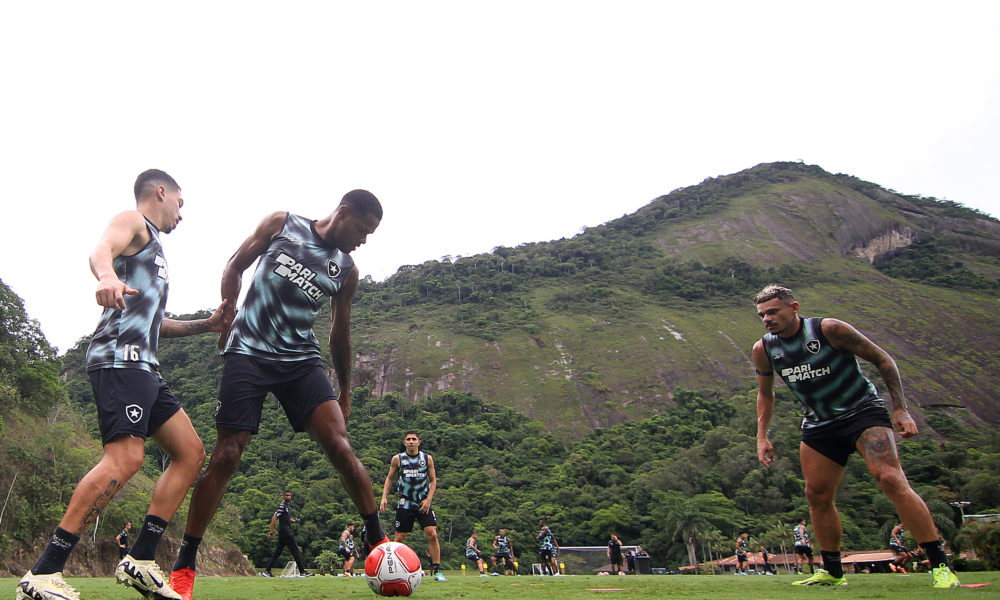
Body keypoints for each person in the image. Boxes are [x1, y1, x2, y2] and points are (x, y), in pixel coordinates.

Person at [16, 170, 227, 600]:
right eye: (181, 205)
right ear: (161, 192)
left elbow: (155, 324)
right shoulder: (132, 221)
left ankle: (142, 560)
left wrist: (207, 325)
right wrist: (105, 276)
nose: (181, 215)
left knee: (190, 452)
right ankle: (42, 573)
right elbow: (100, 249)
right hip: (118, 360)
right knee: (125, 459)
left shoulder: (156, 251)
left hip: (145, 366)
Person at [167, 190, 389, 600]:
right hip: (248, 353)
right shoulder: (282, 224)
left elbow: (339, 333)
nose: (363, 240)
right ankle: (185, 561)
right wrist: (228, 311)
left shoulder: (346, 269)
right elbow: (235, 265)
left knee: (340, 447)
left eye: (370, 234)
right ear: (343, 213)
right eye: (362, 229)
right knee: (228, 454)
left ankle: (380, 543)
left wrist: (345, 391)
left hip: (301, 362)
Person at [752, 285, 960, 589]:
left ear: (793, 307)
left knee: (890, 479)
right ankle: (833, 572)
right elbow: (765, 395)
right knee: (816, 494)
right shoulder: (764, 349)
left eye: (773, 311)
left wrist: (901, 410)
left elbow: (883, 359)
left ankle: (941, 565)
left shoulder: (829, 329)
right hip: (820, 423)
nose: (767, 319)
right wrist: (762, 436)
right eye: (762, 315)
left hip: (861, 413)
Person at [380, 431, 446, 581]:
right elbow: (390, 478)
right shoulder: (398, 459)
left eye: (414, 439)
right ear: (404, 442)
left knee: (432, 534)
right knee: (399, 538)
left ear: (419, 442)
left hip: (423, 503)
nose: (411, 442)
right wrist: (384, 497)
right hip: (405, 503)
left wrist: (429, 499)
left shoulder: (427, 458)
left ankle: (437, 570)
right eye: (408, 439)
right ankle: (394, 571)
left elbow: (433, 480)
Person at [260, 490, 311, 577]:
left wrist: (294, 521)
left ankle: (267, 571)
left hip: (283, 532)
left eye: (289, 496)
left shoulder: (287, 507)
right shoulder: (282, 506)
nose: (288, 497)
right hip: (286, 532)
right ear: (283, 496)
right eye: (286, 495)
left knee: (277, 552)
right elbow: (274, 518)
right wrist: (271, 532)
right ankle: (302, 571)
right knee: (295, 551)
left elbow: (286, 519)